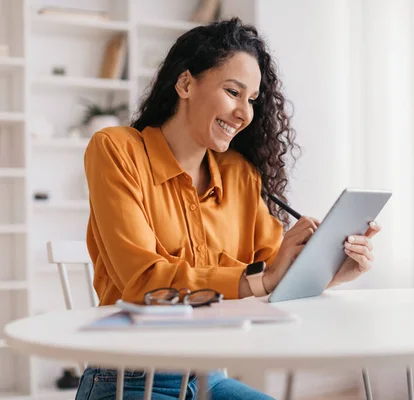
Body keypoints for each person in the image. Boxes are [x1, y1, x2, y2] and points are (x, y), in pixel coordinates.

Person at [75, 17, 381, 400]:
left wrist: (332, 268)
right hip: (130, 377)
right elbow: (143, 281)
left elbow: (275, 277)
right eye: (233, 92)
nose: (244, 113)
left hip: (208, 376)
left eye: (251, 100)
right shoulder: (117, 150)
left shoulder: (239, 174)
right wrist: (261, 279)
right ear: (185, 83)